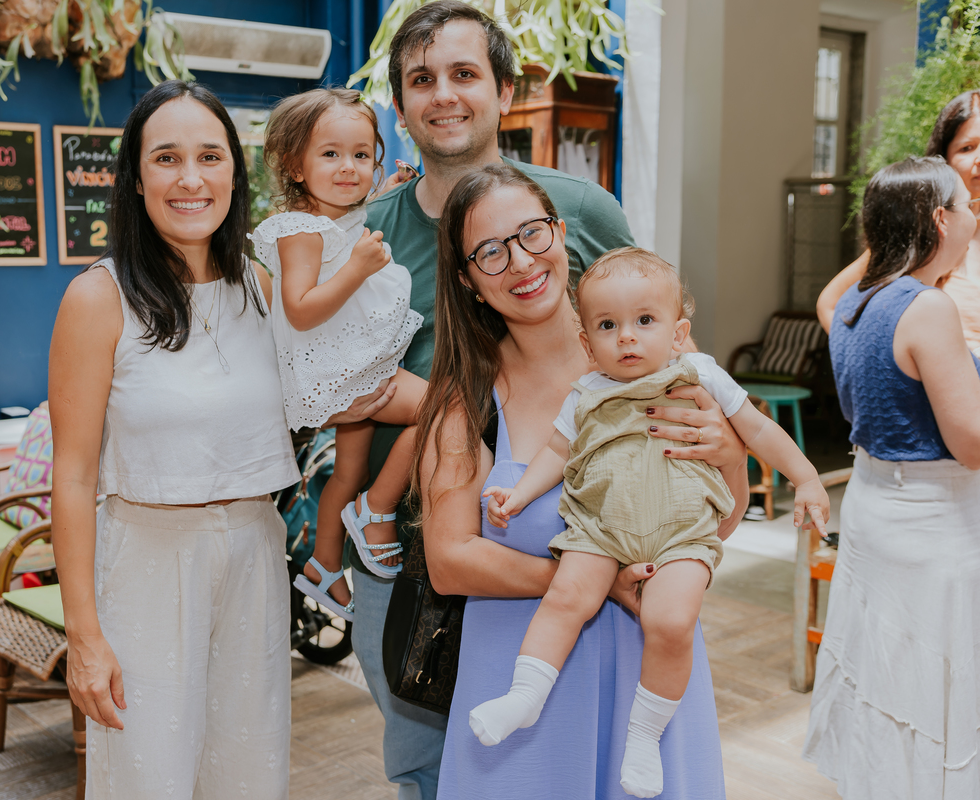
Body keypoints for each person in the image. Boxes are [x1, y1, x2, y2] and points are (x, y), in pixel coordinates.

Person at [48, 80, 391, 799]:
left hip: (253, 551)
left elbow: (348, 384)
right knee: (149, 774)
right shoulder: (97, 297)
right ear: (136, 180)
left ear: (236, 174)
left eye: (210, 156)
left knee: (248, 769)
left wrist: (487, 403)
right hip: (146, 559)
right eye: (166, 158)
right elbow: (74, 477)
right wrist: (84, 637)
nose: (191, 178)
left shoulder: (265, 288)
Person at [412, 164, 744, 798]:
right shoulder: (467, 400)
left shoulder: (660, 363)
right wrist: (595, 582)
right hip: (520, 676)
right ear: (468, 282)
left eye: (532, 233)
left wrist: (728, 454)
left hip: (649, 671)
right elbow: (450, 562)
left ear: (561, 234)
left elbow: (720, 523)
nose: (520, 262)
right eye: (490, 251)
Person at [470, 246, 829, 796]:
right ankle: (524, 696)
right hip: (600, 529)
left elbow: (757, 432)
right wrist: (516, 496)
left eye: (645, 321)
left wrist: (804, 477)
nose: (628, 338)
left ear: (679, 331)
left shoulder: (699, 374)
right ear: (587, 344)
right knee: (565, 598)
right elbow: (556, 454)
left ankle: (644, 736)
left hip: (682, 533)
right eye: (609, 326)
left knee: (670, 622)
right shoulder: (587, 392)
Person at [802, 156, 980, 798]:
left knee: (888, 679)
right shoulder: (926, 306)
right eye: (966, 204)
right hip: (933, 522)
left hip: (877, 507)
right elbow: (972, 444)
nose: (973, 214)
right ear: (940, 218)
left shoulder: (855, 299)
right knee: (932, 686)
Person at [251, 88, 426, 622]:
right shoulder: (299, 231)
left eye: (362, 155)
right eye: (330, 154)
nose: (349, 167)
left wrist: (391, 189)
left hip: (349, 366)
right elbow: (300, 309)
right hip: (345, 371)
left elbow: (346, 229)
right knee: (448, 408)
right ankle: (378, 511)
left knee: (346, 473)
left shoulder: (327, 218)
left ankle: (323, 566)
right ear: (294, 166)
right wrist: (359, 270)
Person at [816, 90, 980, 355]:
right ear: (944, 160)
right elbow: (831, 304)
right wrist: (881, 364)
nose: (979, 159)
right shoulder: (918, 235)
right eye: (967, 148)